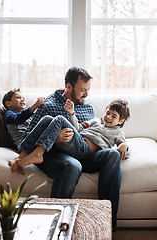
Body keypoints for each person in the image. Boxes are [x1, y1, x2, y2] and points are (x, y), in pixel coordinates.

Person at [8, 66, 122, 231]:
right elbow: (28, 138)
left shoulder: (88, 108)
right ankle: (55, 227)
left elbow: (94, 135)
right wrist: (55, 139)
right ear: (68, 87)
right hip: (56, 155)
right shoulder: (48, 105)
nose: (87, 94)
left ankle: (107, 223)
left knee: (112, 155)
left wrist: (120, 144)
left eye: (88, 90)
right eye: (83, 90)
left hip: (82, 151)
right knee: (72, 165)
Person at [14, 98, 130, 167]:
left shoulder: (117, 132)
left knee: (59, 118)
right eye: (108, 113)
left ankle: (38, 153)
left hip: (84, 149)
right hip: (76, 140)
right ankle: (23, 154)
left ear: (121, 120)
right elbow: (78, 128)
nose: (108, 117)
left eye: (113, 116)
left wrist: (124, 145)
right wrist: (71, 113)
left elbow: (123, 150)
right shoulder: (96, 121)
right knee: (47, 118)